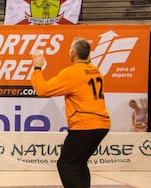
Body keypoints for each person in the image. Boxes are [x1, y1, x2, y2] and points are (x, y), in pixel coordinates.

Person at [31, 38, 111, 188]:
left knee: (66, 165)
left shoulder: (72, 73)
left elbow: (43, 90)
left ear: (73, 53)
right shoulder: (96, 70)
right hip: (102, 125)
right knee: (79, 164)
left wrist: (37, 68)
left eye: (70, 50)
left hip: (85, 125)